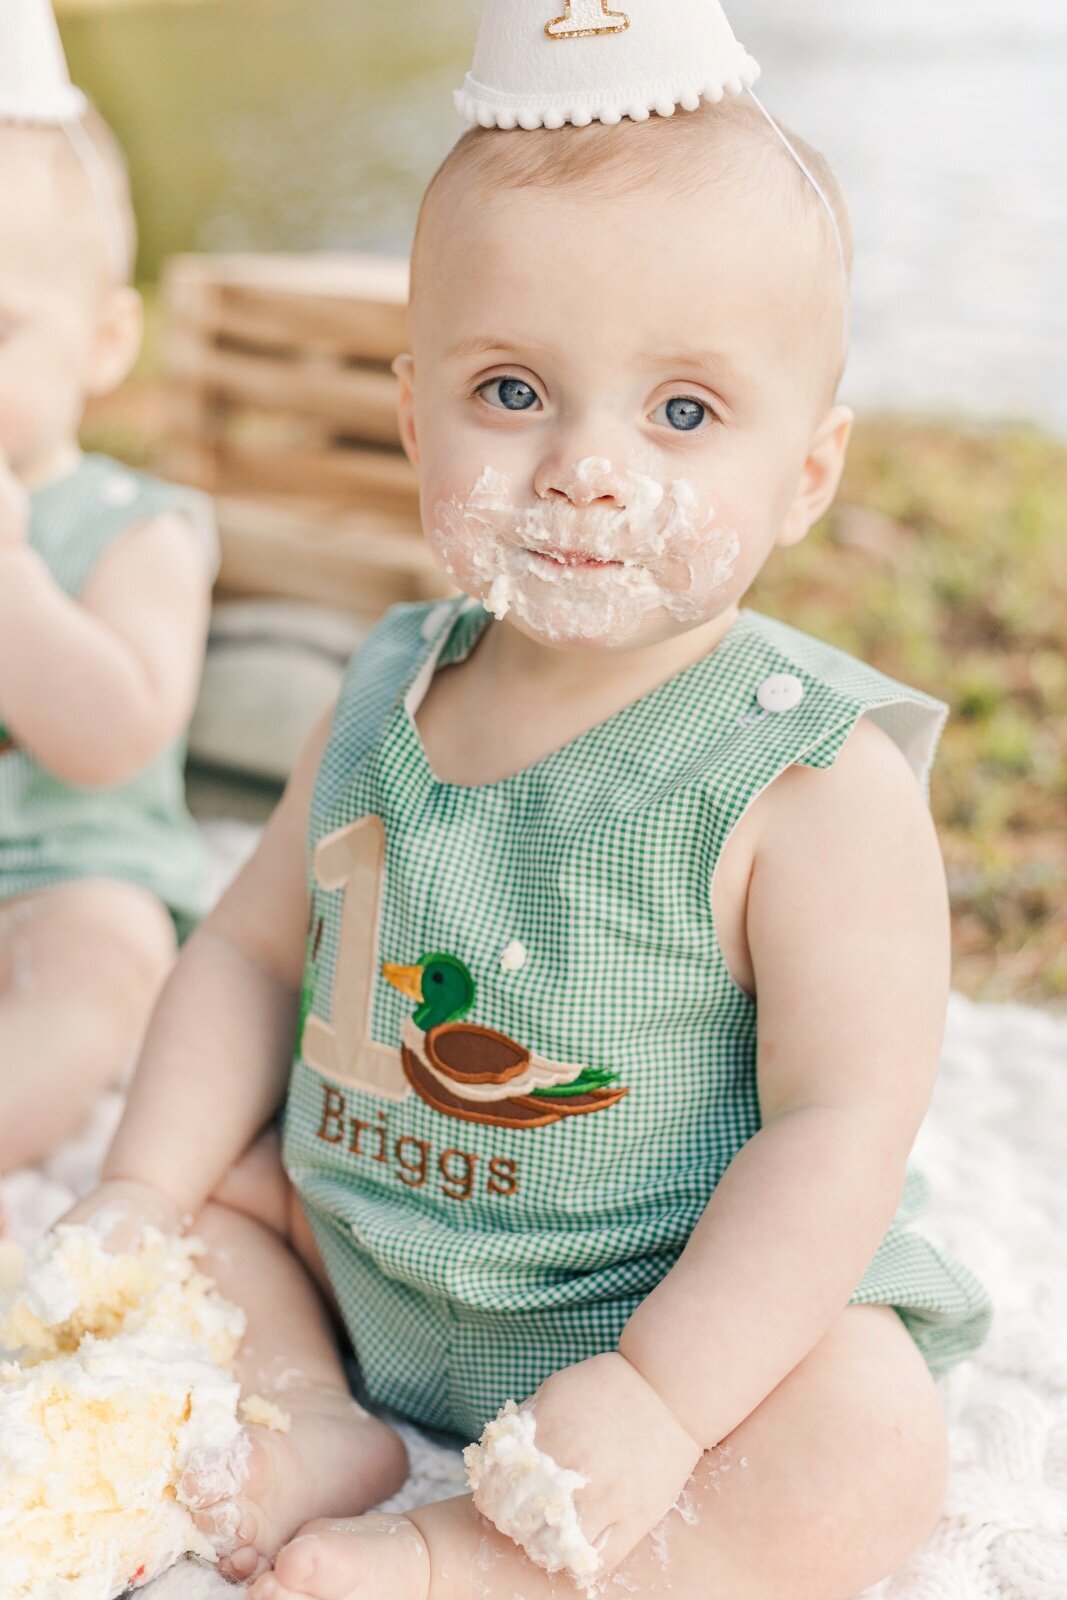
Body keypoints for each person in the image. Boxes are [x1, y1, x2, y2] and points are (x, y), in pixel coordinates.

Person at [70, 90, 992, 1600]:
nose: (581, 466)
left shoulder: (804, 780)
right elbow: (243, 953)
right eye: (511, 391)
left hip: (651, 1303)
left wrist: (661, 1393)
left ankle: (487, 1558)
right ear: (413, 408)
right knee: (213, 1183)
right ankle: (315, 1414)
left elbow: (836, 1129)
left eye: (680, 412)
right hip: (358, 1247)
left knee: (866, 1434)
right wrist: (137, 1194)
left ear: (808, 473)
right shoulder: (382, 685)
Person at [0, 106, 216, 1175]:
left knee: (107, 962)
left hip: (74, 869)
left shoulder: (137, 526)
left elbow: (113, 737)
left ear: (104, 341)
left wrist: (8, 577)